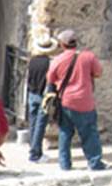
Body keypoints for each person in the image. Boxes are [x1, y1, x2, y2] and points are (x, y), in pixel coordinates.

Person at [46, 29, 107, 171]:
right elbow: (98, 73)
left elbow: (51, 79)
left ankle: (65, 164)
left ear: (62, 44)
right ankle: (94, 162)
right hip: (85, 101)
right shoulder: (88, 57)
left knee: (65, 133)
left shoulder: (57, 60)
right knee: (89, 133)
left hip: (65, 101)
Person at [25, 32, 58, 163]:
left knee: (33, 122)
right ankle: (35, 153)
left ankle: (33, 148)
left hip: (32, 94)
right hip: (43, 96)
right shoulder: (50, 63)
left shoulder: (32, 61)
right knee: (40, 124)